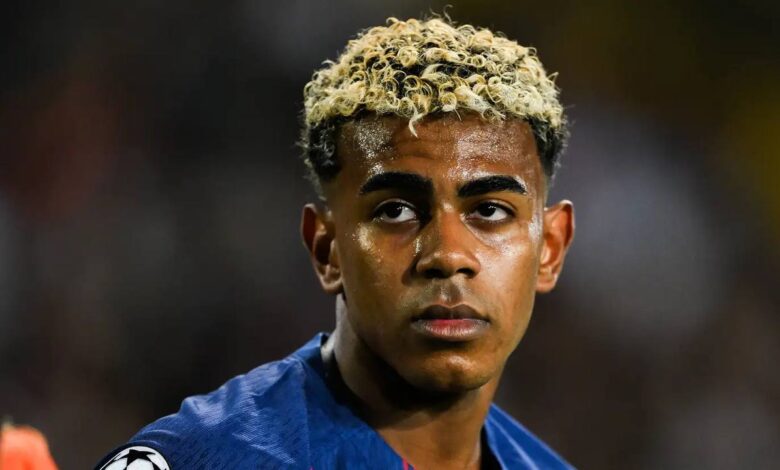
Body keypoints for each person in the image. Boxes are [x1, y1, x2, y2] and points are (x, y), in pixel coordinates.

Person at [96, 16, 575, 470]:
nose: (448, 255)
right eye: (396, 211)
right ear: (326, 249)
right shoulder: (204, 459)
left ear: (550, 248)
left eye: (490, 211)